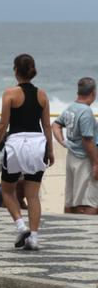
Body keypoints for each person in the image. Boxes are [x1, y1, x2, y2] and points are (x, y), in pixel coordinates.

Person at [0, 54, 54, 251]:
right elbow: (47, 126)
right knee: (33, 195)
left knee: (7, 190)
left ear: (16, 70)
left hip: (16, 145)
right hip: (37, 144)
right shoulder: (42, 95)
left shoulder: (10, 93)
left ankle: (21, 225)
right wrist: (50, 150)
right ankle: (33, 237)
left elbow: (3, 124)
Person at [52, 77, 98, 215]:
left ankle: (68, 226)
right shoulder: (86, 112)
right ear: (93, 93)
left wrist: (64, 142)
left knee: (71, 200)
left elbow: (55, 125)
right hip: (84, 158)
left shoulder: (70, 108)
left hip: (72, 156)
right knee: (89, 201)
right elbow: (87, 140)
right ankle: (89, 232)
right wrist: (96, 163)